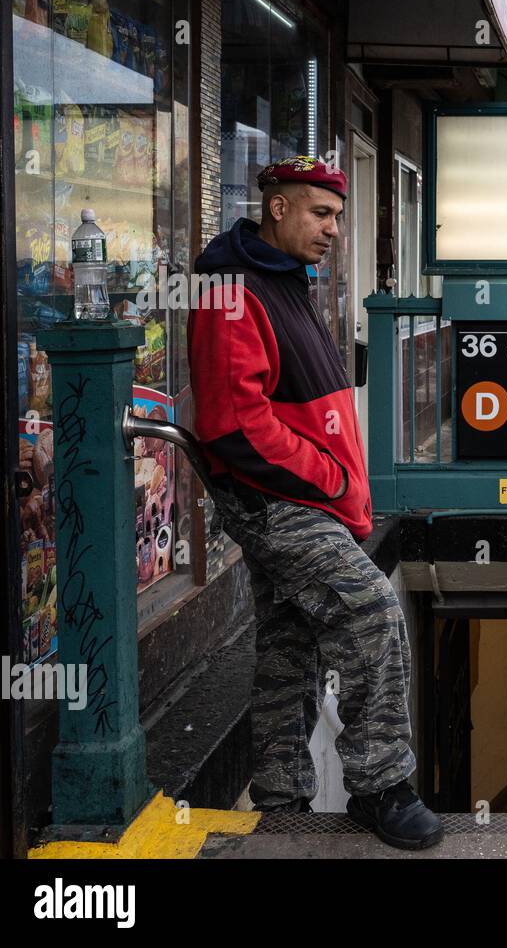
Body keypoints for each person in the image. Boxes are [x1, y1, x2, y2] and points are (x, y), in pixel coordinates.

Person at [188, 156, 443, 850]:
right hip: (280, 503)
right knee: (370, 610)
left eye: (336, 216)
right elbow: (232, 424)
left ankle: (281, 799)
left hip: (301, 499)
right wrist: (330, 481)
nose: (333, 229)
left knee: (289, 644)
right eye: (321, 214)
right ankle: (382, 787)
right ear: (277, 208)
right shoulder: (231, 289)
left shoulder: (282, 282)